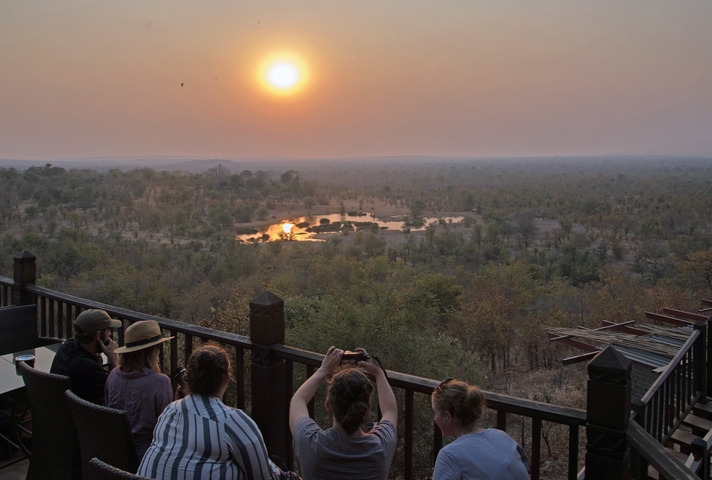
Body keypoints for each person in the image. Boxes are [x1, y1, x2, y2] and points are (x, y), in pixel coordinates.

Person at [137, 343, 281, 480]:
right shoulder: (232, 421)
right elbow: (265, 477)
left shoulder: (170, 411)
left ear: (188, 378)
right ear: (226, 379)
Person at [289, 347, 398, 480]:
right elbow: (390, 411)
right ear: (367, 407)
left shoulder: (311, 445)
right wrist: (378, 373)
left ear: (328, 404)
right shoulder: (380, 449)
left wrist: (323, 370)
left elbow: (298, 401)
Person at [431, 378, 529, 480]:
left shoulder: (450, 455)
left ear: (447, 417)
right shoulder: (502, 436)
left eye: (435, 413)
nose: (435, 418)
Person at [105, 320, 173, 459]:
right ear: (153, 350)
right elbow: (166, 428)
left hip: (114, 453)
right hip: (147, 458)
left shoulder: (113, 375)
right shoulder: (159, 382)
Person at [50, 309, 121, 404]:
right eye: (108, 330)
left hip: (61, 410)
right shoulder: (89, 368)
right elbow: (118, 392)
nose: (110, 334)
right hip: (84, 416)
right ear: (98, 335)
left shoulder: (67, 346)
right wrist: (113, 358)